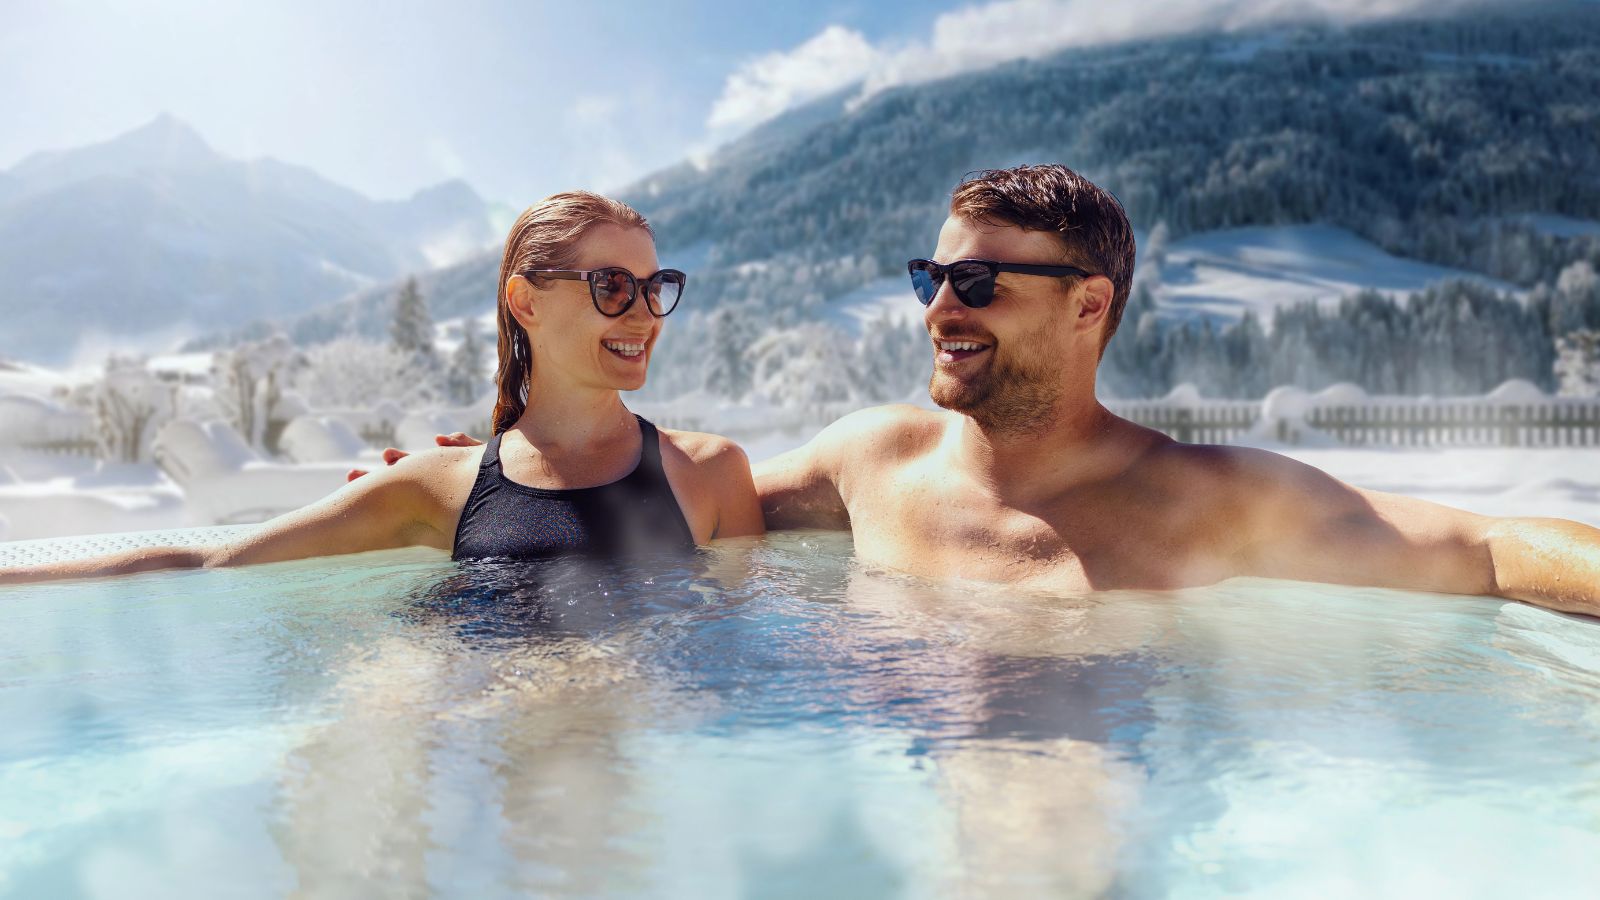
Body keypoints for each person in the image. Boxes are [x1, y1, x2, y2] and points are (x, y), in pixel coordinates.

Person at [388, 165, 1600, 617]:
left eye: (975, 278)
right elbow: (659, 485)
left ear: (1088, 306)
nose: (936, 307)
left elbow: (1491, 546)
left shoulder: (1207, 497)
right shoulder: (874, 464)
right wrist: (479, 471)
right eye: (931, 274)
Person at [0, 191, 764, 584]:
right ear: (526, 302)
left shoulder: (710, 472)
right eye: (609, 285)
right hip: (486, 754)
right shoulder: (439, 486)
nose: (642, 312)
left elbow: (746, 659)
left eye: (653, 284)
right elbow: (208, 565)